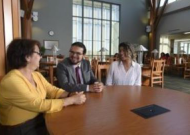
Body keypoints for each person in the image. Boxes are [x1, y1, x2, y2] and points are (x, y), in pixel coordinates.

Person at [0, 39, 86, 135]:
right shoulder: (11, 80)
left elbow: (52, 90)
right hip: (20, 128)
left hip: (41, 118)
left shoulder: (36, 75)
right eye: (38, 53)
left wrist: (70, 94)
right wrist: (71, 100)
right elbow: (38, 104)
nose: (41, 57)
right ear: (27, 56)